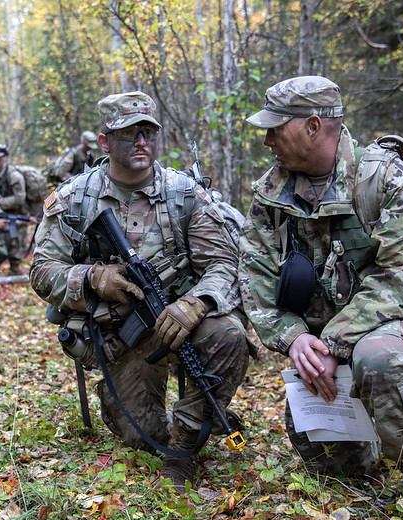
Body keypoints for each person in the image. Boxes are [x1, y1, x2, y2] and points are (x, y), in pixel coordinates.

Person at [238, 76, 403, 507]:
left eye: (275, 128)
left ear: (313, 126)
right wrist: (295, 338)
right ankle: (362, 449)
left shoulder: (385, 179)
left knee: (378, 358)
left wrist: (335, 341)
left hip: (393, 331)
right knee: (337, 471)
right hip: (318, 345)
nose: (266, 141)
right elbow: (254, 274)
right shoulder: (273, 191)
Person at [30, 91, 249, 491]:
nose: (141, 141)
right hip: (121, 335)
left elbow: (224, 264)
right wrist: (93, 279)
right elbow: (41, 272)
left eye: (148, 131)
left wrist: (196, 303)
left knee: (228, 333)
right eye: (129, 133)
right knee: (141, 437)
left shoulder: (184, 195)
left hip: (178, 321)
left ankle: (184, 449)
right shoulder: (74, 199)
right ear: (104, 142)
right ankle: (191, 417)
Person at [0, 143, 29, 275]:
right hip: (1, 215)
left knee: (15, 244)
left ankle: (15, 270)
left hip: (16, 216)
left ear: (6, 157)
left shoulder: (14, 176)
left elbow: (19, 198)